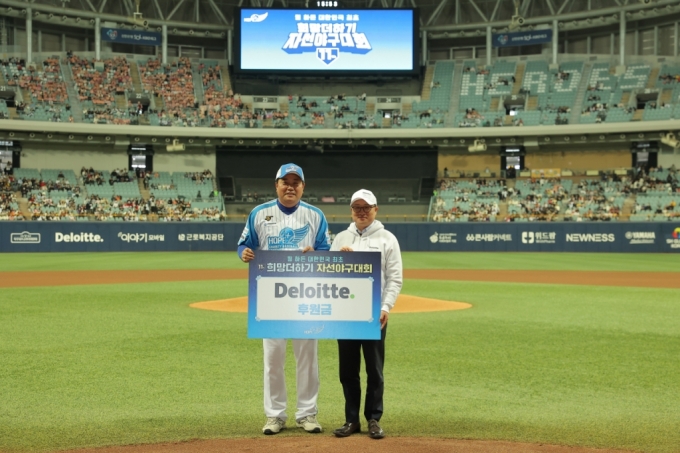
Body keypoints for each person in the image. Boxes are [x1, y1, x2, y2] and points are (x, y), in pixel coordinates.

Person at [237, 163, 331, 435]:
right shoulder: (259, 213)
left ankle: (307, 413)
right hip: (270, 298)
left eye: (296, 182)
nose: (290, 186)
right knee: (273, 358)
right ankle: (275, 415)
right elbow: (244, 243)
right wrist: (243, 253)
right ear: (275, 185)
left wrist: (318, 253)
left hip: (305, 295)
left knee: (307, 358)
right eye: (285, 181)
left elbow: (327, 249)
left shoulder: (315, 215)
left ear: (303, 186)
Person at [330, 189, 403, 440]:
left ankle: (373, 418)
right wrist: (338, 260)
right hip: (345, 314)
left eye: (366, 207)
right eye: (356, 207)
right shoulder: (340, 238)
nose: (361, 212)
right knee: (347, 370)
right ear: (351, 210)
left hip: (373, 315)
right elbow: (326, 275)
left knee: (375, 370)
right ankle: (351, 420)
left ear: (375, 209)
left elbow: (395, 279)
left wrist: (385, 307)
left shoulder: (387, 239)